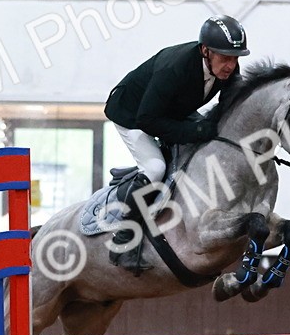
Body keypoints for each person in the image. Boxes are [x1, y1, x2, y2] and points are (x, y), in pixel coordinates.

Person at [104, 15, 250, 253]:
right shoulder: (174, 68)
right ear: (205, 51)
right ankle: (125, 233)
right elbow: (147, 119)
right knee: (155, 168)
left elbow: (230, 104)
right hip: (132, 113)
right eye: (225, 58)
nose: (230, 66)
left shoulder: (227, 68)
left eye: (235, 58)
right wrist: (197, 130)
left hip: (171, 109)